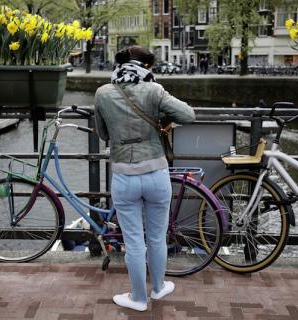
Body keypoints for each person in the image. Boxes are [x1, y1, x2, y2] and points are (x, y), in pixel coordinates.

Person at [94, 46, 195, 312]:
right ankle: (159, 288)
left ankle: (138, 299)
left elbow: (103, 133)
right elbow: (188, 115)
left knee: (134, 241)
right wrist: (162, 117)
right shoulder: (154, 90)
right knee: (157, 237)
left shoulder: (103, 93)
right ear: (146, 67)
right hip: (156, 173)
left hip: (125, 175)